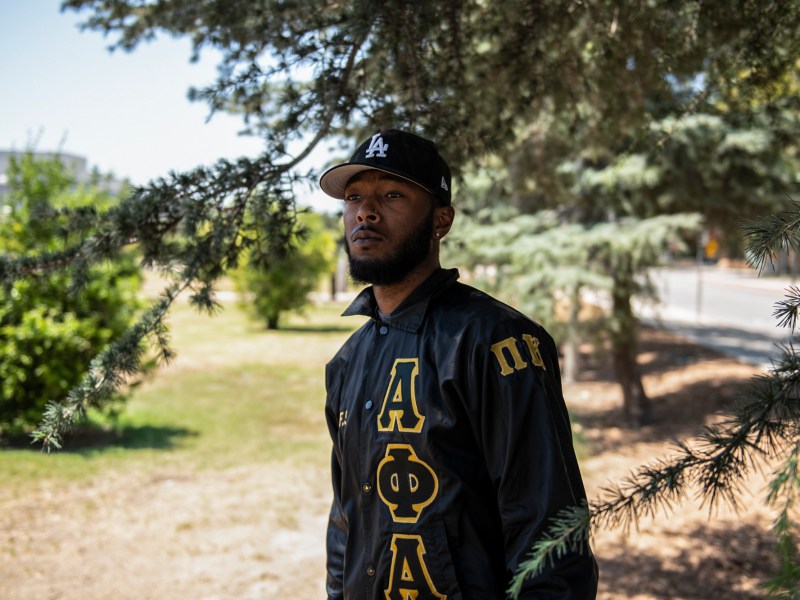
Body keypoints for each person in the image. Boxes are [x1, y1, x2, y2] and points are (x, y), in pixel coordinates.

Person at [319, 129, 598, 599]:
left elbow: (549, 532)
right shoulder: (347, 362)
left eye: (391, 194)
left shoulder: (496, 341)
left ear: (440, 220)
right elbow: (346, 517)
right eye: (354, 197)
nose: (365, 211)